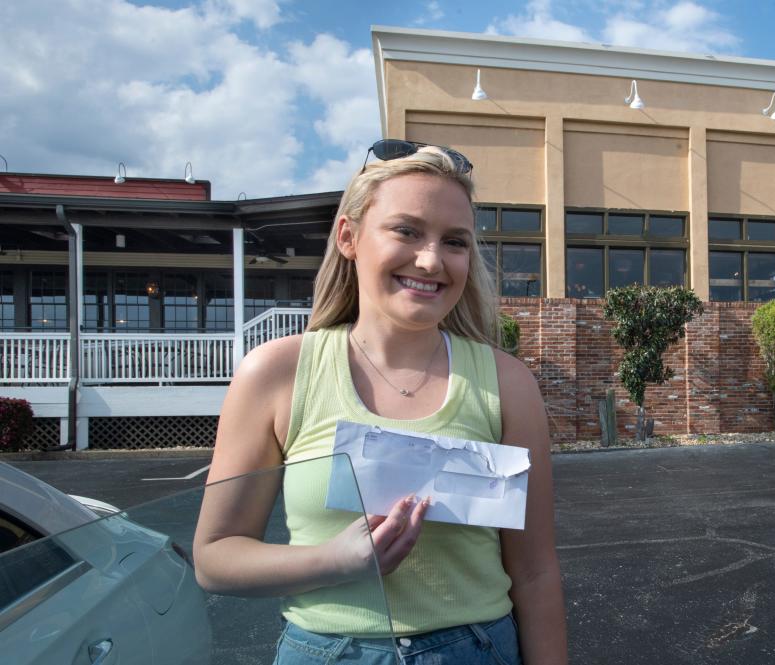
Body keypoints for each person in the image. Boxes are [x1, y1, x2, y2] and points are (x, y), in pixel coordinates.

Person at [193, 140, 568, 664]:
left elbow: (534, 571)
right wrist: (334, 561)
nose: (431, 259)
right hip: (326, 652)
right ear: (349, 236)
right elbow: (215, 558)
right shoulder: (278, 373)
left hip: (476, 650)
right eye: (406, 230)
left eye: (454, 241)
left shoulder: (507, 383)